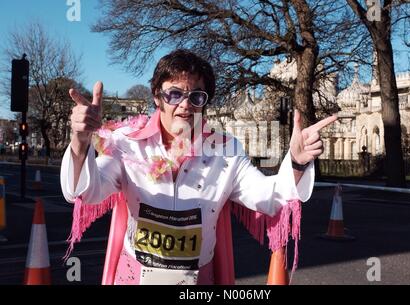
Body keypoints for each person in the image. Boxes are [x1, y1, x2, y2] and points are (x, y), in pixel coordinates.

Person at [60, 49, 336, 285]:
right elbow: (86, 191)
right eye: (174, 94)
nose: (184, 105)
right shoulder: (127, 143)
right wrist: (80, 143)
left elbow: (269, 196)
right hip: (133, 277)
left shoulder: (226, 152)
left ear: (204, 104)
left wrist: (298, 161)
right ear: (157, 97)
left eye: (196, 97)